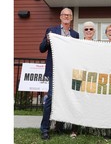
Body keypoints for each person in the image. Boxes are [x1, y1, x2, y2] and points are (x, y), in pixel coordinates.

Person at [39, 8, 79, 140]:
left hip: (68, 72)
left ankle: (60, 126)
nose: (67, 17)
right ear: (60, 17)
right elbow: (41, 48)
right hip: (55, 71)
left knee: (65, 98)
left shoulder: (75, 35)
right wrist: (48, 41)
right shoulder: (52, 31)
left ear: (72, 18)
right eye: (64, 15)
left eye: (69, 15)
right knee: (50, 98)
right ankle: (44, 129)